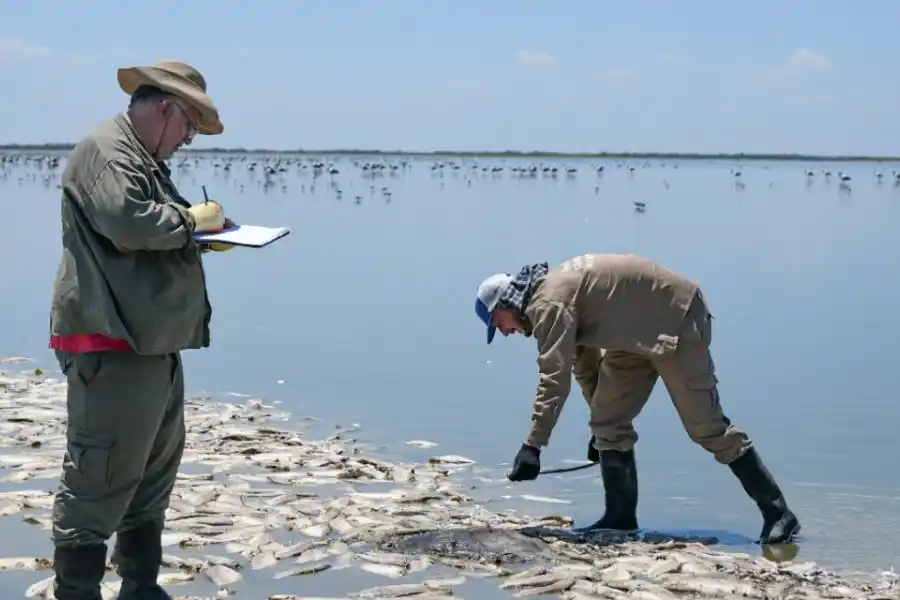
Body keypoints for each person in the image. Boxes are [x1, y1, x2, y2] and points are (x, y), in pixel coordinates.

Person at [48, 60, 232, 600]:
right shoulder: (108, 152)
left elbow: (150, 235)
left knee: (152, 472)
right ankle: (77, 592)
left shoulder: (142, 158)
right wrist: (191, 223)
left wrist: (205, 235)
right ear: (166, 109)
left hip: (150, 343)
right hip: (112, 341)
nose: (188, 139)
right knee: (100, 476)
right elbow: (130, 223)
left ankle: (141, 588)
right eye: (189, 126)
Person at [474, 253, 801, 545]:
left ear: (506, 304)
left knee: (707, 428)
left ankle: (778, 512)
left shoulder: (549, 305)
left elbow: (553, 380)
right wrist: (600, 435)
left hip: (677, 319)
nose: (503, 332)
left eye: (497, 324)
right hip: (632, 338)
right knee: (608, 421)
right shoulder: (551, 299)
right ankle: (620, 520)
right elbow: (584, 368)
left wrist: (533, 446)